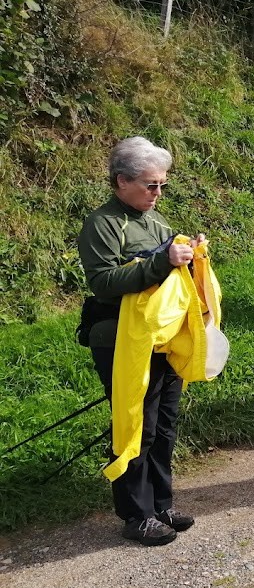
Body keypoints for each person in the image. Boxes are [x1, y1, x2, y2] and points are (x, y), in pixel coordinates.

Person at [78, 136, 204, 546]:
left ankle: (161, 504)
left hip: (162, 338)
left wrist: (191, 256)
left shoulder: (158, 223)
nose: (158, 193)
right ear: (121, 181)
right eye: (151, 185)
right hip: (119, 339)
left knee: (164, 424)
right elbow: (103, 283)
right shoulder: (103, 224)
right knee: (137, 424)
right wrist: (159, 262)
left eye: (162, 185)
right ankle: (136, 514)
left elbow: (172, 279)